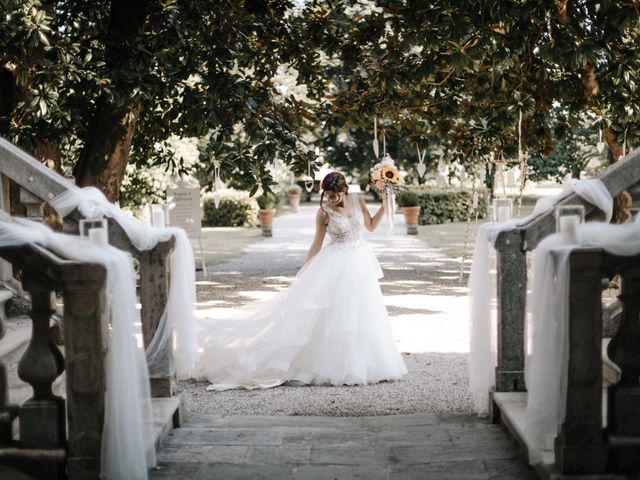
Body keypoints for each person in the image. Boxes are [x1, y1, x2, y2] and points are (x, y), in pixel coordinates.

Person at [193, 172, 408, 390]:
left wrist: (385, 205)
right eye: (328, 195)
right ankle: (329, 366)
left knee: (362, 312)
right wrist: (306, 271)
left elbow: (370, 226)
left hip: (360, 263)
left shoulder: (357, 200)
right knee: (333, 313)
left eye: (335, 195)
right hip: (335, 264)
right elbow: (316, 244)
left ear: (345, 191)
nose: (331, 199)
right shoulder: (323, 213)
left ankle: (364, 365)